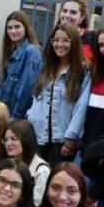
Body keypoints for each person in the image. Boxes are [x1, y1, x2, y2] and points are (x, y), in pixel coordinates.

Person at [28, 23, 91, 165]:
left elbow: (81, 107)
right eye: (56, 40)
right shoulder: (47, 68)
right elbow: (36, 100)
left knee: (53, 179)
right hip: (39, 137)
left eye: (65, 40)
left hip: (62, 140)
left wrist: (70, 139)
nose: (59, 44)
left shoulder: (82, 71)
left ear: (74, 42)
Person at [0, 10, 43, 118]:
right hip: (7, 111)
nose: (13, 31)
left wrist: (16, 115)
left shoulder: (31, 52)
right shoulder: (12, 51)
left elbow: (27, 89)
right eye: (9, 28)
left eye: (17, 27)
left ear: (26, 28)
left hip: (19, 115)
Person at [5, 118, 52, 207]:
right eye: (6, 139)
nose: (8, 144)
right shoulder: (10, 164)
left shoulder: (41, 170)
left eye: (14, 139)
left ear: (26, 139)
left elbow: (36, 204)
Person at [59, 0, 98, 64]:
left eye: (73, 12)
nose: (67, 15)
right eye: (64, 11)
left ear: (82, 17)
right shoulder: (54, 37)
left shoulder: (92, 37)